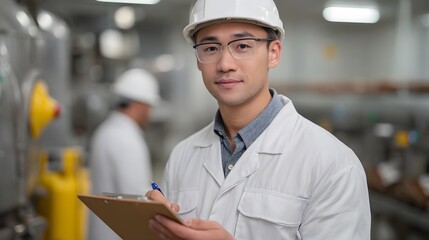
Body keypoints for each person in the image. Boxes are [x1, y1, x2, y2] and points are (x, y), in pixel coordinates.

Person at [146, 0, 371, 239]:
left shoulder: (333, 165)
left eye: (242, 46)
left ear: (273, 53)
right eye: (210, 48)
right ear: (198, 60)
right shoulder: (183, 155)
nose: (225, 64)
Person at [88, 68, 160, 240]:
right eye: (149, 107)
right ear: (139, 104)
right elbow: (137, 201)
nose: (149, 114)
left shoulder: (105, 131)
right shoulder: (127, 139)